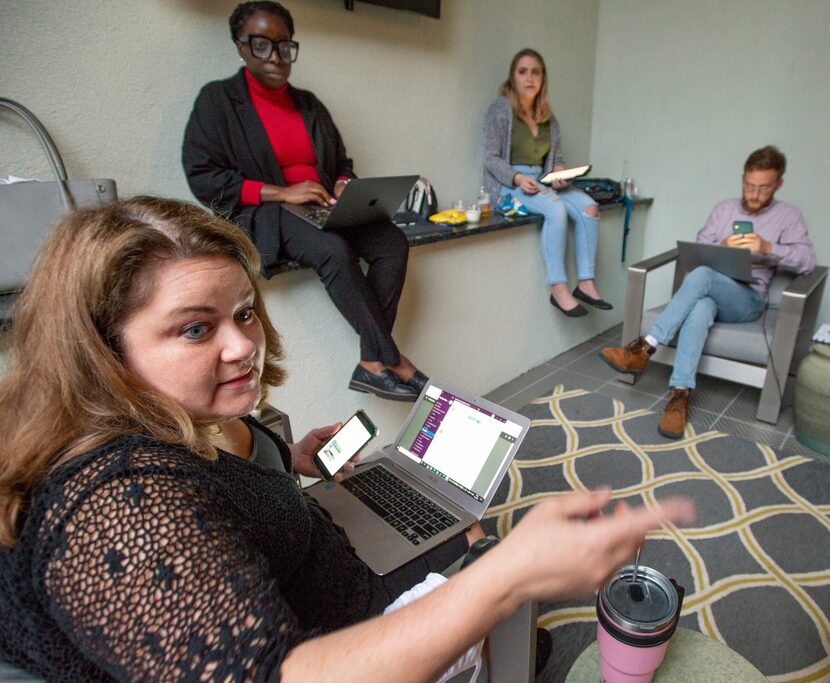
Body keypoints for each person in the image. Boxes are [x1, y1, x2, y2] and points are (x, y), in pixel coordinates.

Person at [0, 197, 695, 681]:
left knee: (465, 533)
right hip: (331, 634)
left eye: (244, 311)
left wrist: (289, 462)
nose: (243, 344)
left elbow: (223, 493)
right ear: (102, 350)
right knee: (513, 608)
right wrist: (504, 580)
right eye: (195, 327)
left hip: (327, 561)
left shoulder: (179, 414)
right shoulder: (116, 508)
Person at [182, 0, 425, 402]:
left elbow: (342, 162)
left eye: (284, 46)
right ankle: (393, 359)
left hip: (323, 206)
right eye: (262, 45)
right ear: (240, 46)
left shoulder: (309, 103)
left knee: (392, 243)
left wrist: (345, 183)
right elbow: (202, 175)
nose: (276, 57)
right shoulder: (218, 102)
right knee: (333, 250)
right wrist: (281, 192)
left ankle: (371, 361)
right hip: (268, 214)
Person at [600, 146, 816, 438]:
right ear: (743, 179)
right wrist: (722, 246)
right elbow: (700, 250)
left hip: (748, 301)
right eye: (749, 186)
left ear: (778, 185)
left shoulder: (788, 216)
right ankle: (679, 397)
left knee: (702, 277)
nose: (754, 194)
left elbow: (807, 262)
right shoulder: (724, 209)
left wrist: (767, 248)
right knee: (700, 306)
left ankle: (644, 348)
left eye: (763, 189)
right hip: (710, 292)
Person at [483, 48, 611, 318]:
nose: (529, 78)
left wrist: (560, 172)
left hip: (542, 182)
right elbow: (491, 159)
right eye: (522, 72)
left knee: (589, 207)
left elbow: (557, 158)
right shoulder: (500, 110)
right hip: (510, 185)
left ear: (543, 78)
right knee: (556, 209)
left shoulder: (548, 118)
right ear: (513, 77)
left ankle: (586, 282)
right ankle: (557, 286)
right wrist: (518, 178)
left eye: (536, 72)